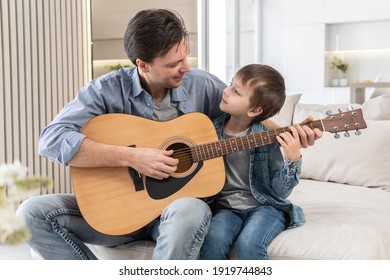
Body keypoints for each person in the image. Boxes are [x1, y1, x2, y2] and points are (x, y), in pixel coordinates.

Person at [17, 9, 320, 260]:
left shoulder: (200, 84)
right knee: (31, 212)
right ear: (142, 64)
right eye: (174, 64)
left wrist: (289, 133)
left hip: (175, 213)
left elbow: (249, 113)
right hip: (119, 209)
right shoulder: (105, 90)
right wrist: (133, 157)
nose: (186, 69)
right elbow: (51, 140)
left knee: (189, 209)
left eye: (186, 58)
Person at [199, 64, 304, 260]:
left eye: (236, 91)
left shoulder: (264, 136)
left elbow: (279, 191)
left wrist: (293, 159)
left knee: (248, 244)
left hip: (265, 207)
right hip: (226, 208)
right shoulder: (209, 131)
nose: (226, 91)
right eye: (231, 84)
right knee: (212, 242)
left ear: (255, 110)